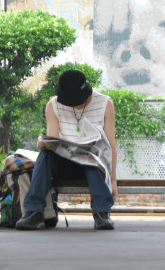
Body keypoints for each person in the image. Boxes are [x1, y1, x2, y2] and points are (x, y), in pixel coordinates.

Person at [16, 69, 119, 231]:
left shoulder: (105, 104)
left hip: (93, 165)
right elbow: (54, 140)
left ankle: (102, 213)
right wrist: (45, 143)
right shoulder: (54, 105)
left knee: (91, 156)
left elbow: (111, 144)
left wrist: (113, 180)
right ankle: (33, 212)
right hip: (63, 164)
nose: (73, 104)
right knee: (46, 153)